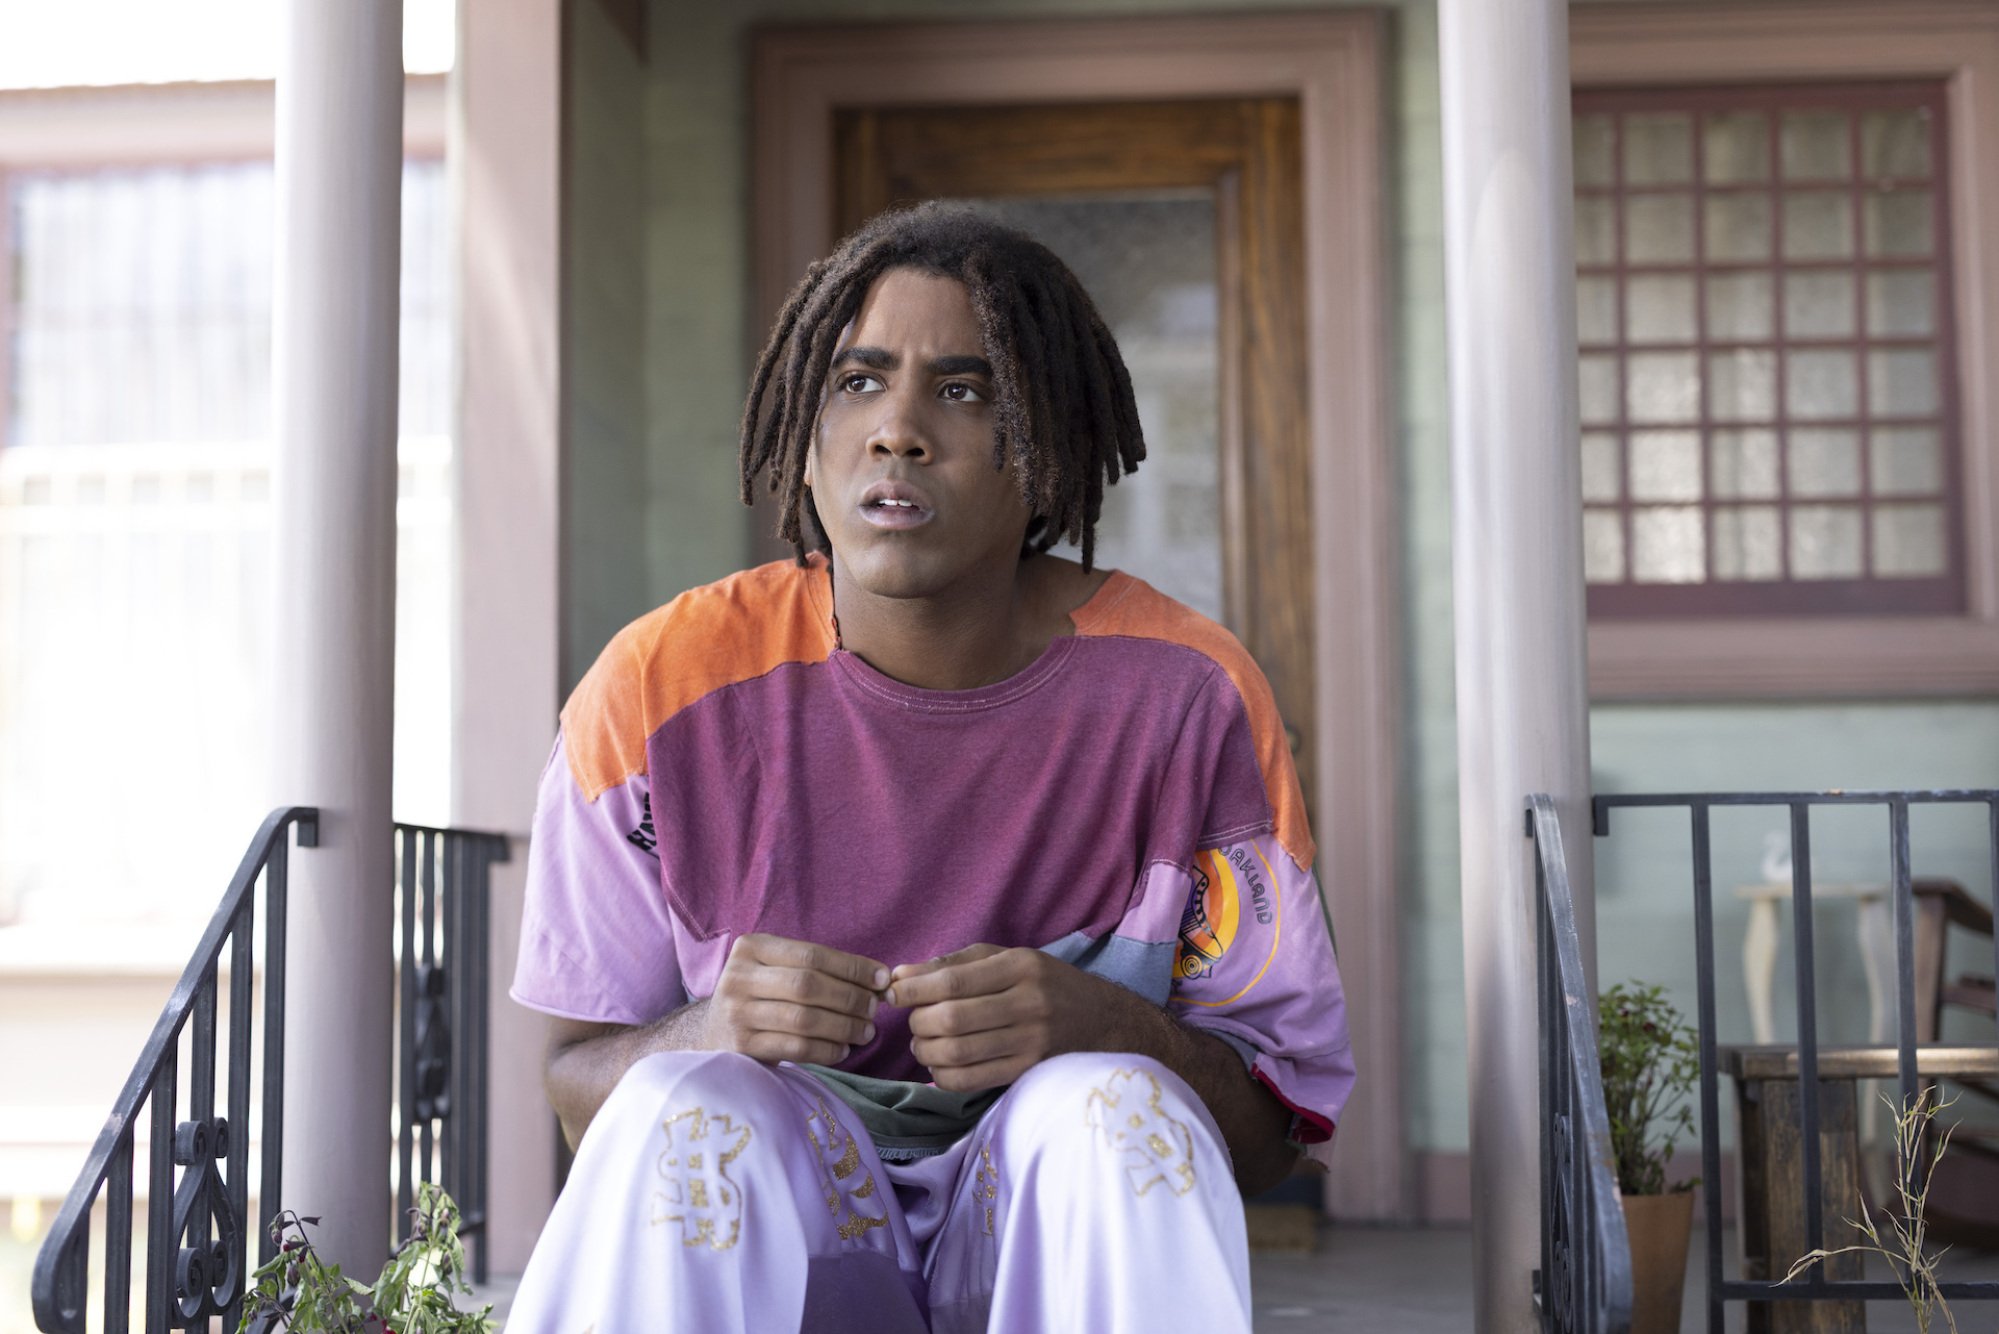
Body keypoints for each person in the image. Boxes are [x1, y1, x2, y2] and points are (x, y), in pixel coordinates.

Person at [504, 203, 1355, 1333]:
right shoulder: (659, 689)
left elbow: (1266, 1131)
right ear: (805, 436)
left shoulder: (1188, 696)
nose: (897, 430)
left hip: (1042, 1238)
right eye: (858, 381)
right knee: (682, 1100)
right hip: (786, 1235)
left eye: (963, 390)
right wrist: (708, 1026)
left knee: (1109, 1104)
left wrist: (1106, 1021)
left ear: (1045, 443)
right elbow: (576, 1091)